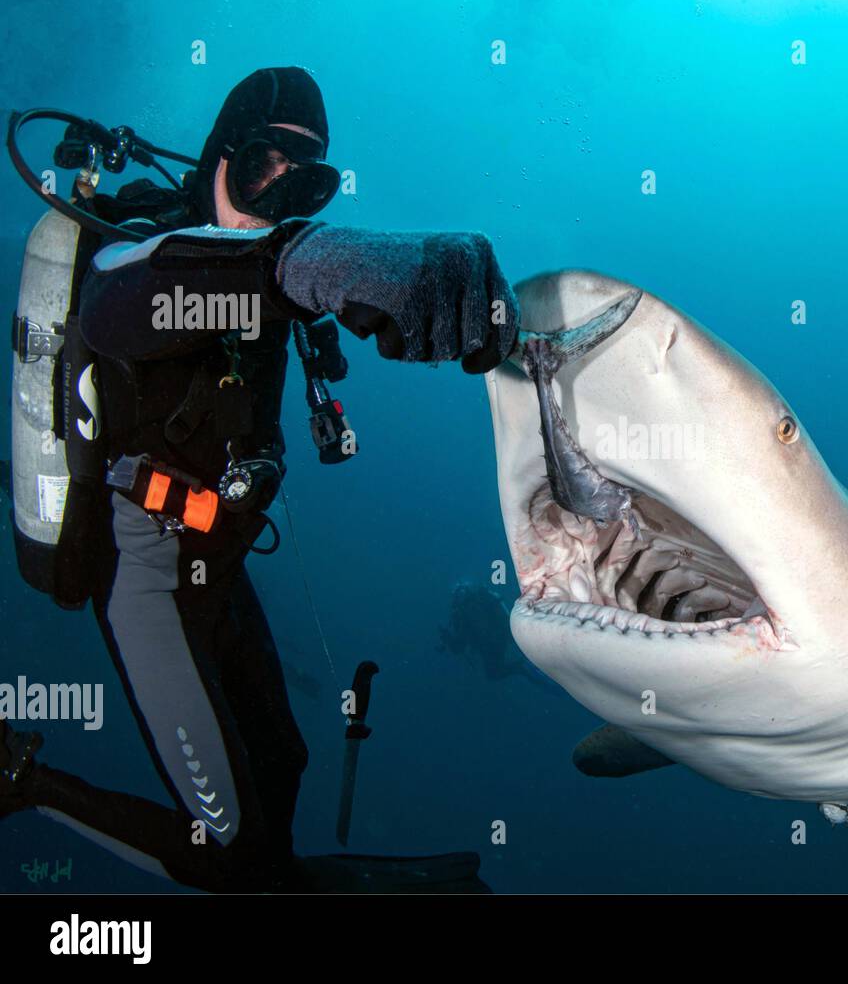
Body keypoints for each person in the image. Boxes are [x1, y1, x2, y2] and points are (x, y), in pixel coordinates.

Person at [0, 67, 518, 892]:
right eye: (255, 170)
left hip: (218, 565)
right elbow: (121, 309)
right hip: (144, 578)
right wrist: (316, 264)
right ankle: (23, 782)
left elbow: (258, 406)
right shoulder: (141, 243)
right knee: (231, 846)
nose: (269, 201)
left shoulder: (270, 290)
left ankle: (280, 877)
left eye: (302, 183)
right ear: (216, 159)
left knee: (286, 758)